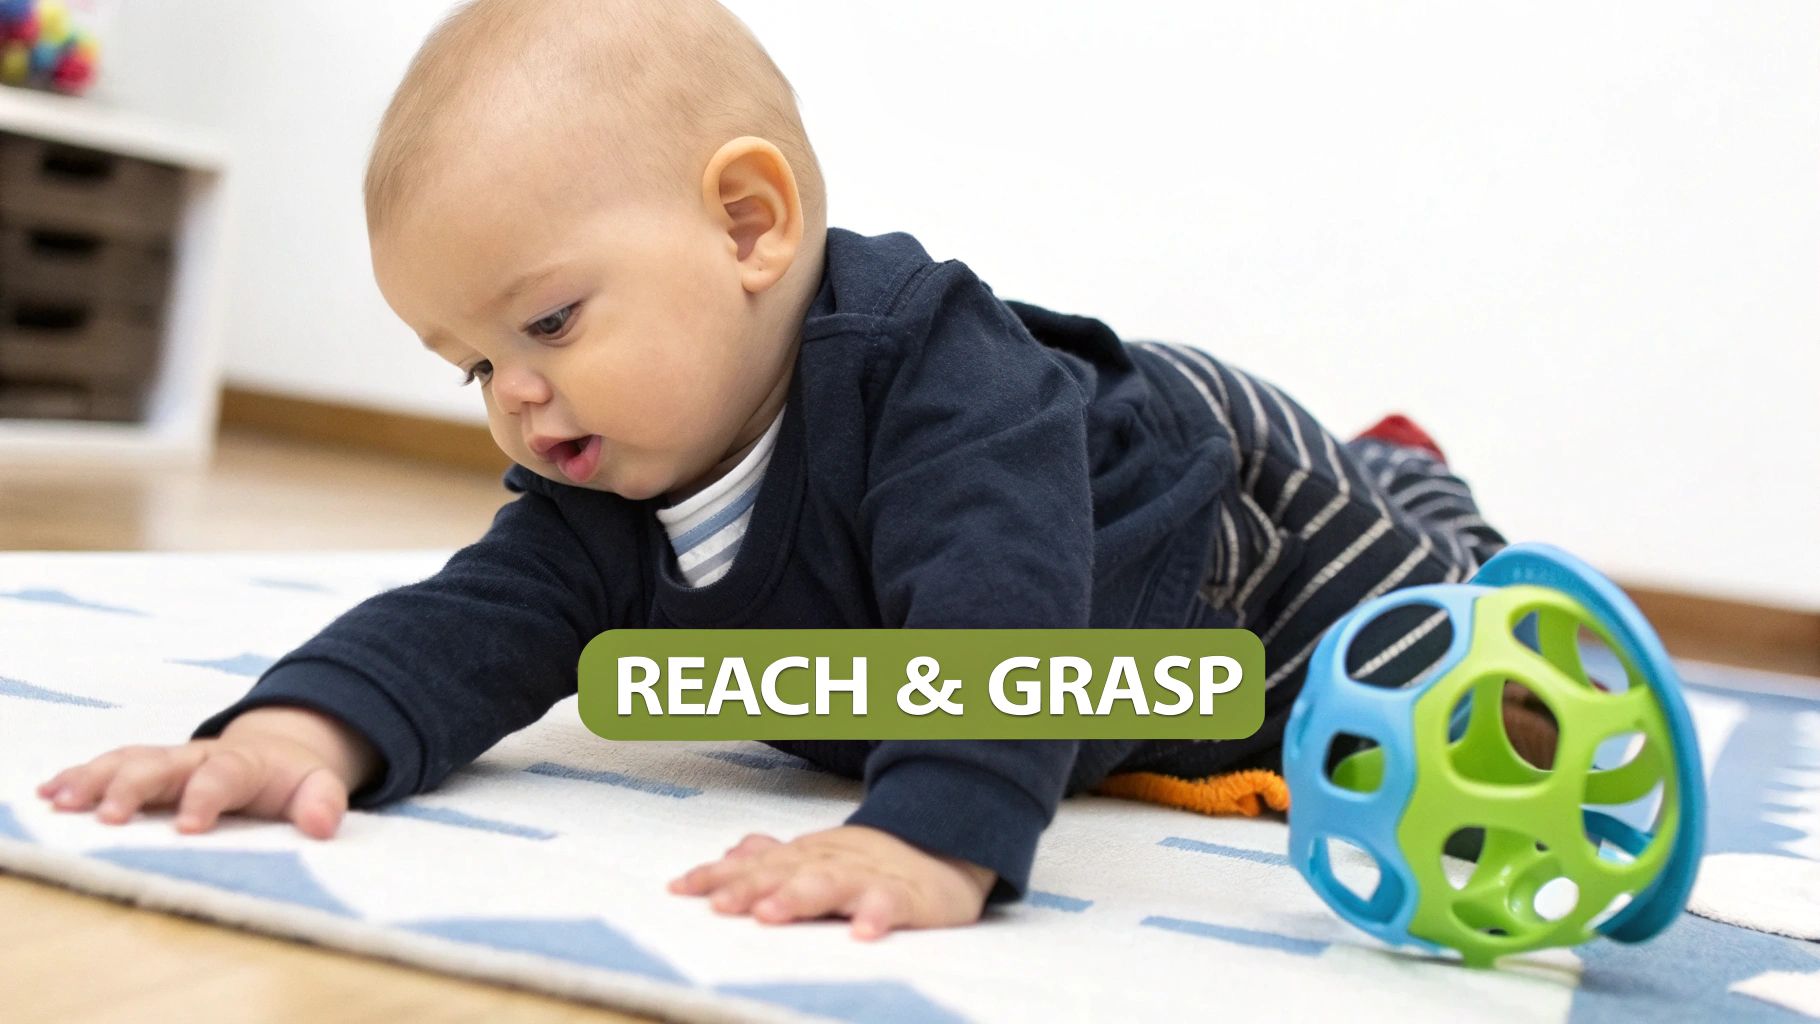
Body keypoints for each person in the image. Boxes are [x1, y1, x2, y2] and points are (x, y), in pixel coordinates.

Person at [36, 0, 1533, 941]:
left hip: (1215, 529)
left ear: (752, 226)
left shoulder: (936, 376)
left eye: (549, 320)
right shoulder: (602, 482)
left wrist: (932, 832)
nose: (518, 394)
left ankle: (1414, 477)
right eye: (475, 363)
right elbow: (476, 617)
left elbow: (999, 606)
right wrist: (302, 730)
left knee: (1451, 643)